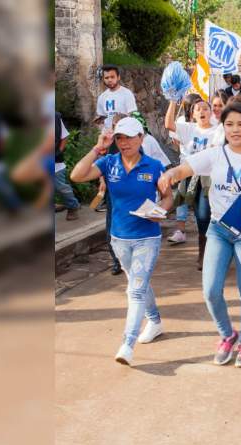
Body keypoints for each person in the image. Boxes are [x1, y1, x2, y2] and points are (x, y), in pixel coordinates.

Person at [158, 102, 241, 368]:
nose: (235, 129)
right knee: (211, 291)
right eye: (229, 124)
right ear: (222, 126)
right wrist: (170, 174)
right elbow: (185, 168)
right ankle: (228, 334)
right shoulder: (215, 154)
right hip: (219, 230)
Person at [70, 117, 173, 365]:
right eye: (120, 138)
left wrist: (159, 211)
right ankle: (155, 321)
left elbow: (168, 198)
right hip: (119, 239)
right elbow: (76, 175)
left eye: (129, 137)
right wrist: (98, 148)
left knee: (135, 290)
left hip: (147, 237)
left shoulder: (154, 166)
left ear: (141, 138)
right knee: (139, 283)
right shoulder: (109, 163)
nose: (124, 142)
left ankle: (127, 344)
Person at [164, 95, 224, 268]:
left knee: (206, 216)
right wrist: (172, 100)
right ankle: (204, 251)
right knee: (199, 217)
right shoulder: (188, 129)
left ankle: (208, 254)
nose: (202, 111)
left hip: (208, 179)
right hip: (190, 177)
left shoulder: (218, 130)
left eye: (206, 108)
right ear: (193, 114)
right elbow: (169, 124)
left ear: (211, 112)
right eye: (198, 109)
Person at [53, 113, 80, 220]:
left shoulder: (55, 117)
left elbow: (64, 136)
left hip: (55, 162)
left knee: (61, 188)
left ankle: (73, 207)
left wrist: (59, 151)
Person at [95, 64, 138, 130]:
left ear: (118, 77)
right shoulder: (102, 97)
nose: (109, 80)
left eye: (112, 77)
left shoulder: (127, 93)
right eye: (106, 78)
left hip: (123, 133)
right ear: (103, 79)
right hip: (108, 134)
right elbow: (101, 119)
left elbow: (133, 115)